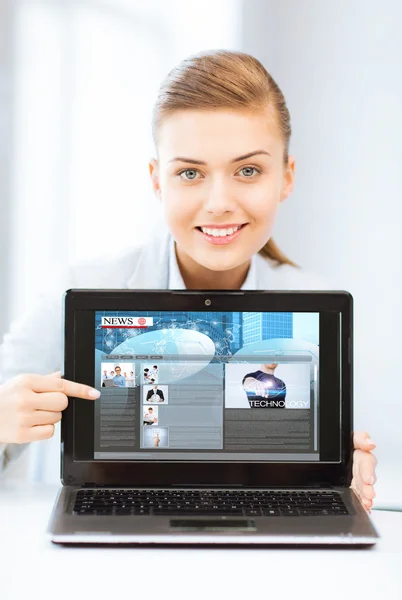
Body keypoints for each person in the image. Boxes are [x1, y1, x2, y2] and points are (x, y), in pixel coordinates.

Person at [0, 50, 376, 512]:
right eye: (190, 172)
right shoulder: (76, 286)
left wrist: (344, 470)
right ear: (158, 181)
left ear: (286, 177)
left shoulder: (318, 306)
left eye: (248, 170)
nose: (219, 202)